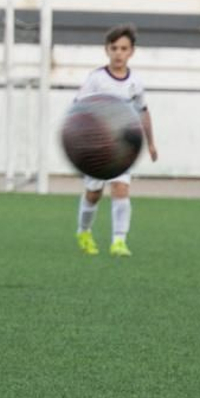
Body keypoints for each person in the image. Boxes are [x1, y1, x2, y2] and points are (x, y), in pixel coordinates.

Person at [74, 24, 158, 257]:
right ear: (107, 50)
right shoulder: (96, 79)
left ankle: (119, 241)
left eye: (124, 48)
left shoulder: (136, 82)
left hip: (123, 145)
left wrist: (150, 142)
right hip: (97, 145)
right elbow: (77, 109)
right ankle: (83, 231)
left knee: (121, 189)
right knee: (94, 193)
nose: (119, 53)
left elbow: (142, 111)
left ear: (131, 52)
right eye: (114, 48)